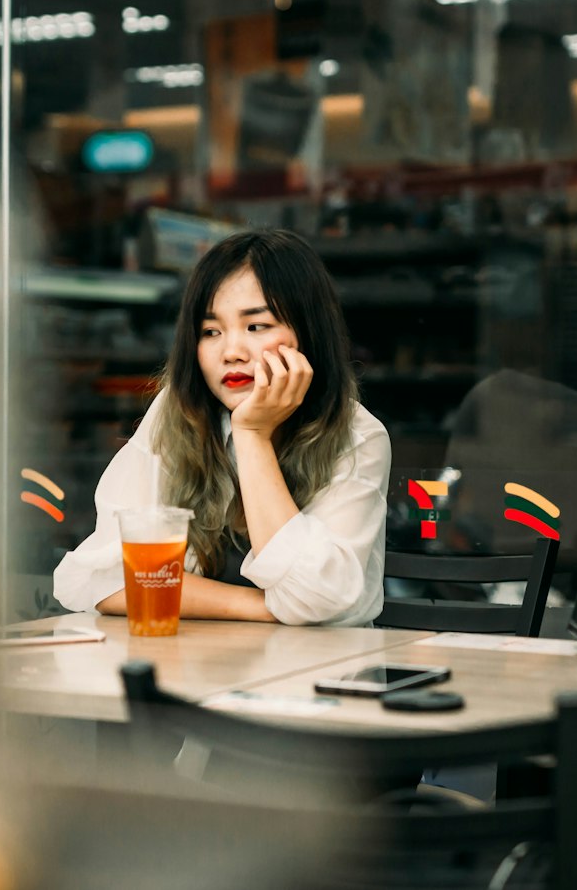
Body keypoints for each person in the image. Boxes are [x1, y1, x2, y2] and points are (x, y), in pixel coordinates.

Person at [53, 229, 389, 626]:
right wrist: (267, 608)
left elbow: (315, 595)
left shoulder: (358, 436)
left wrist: (252, 436)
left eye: (256, 326)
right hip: (198, 668)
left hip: (320, 677)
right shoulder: (178, 414)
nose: (231, 352)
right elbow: (99, 581)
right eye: (211, 331)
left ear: (309, 332)